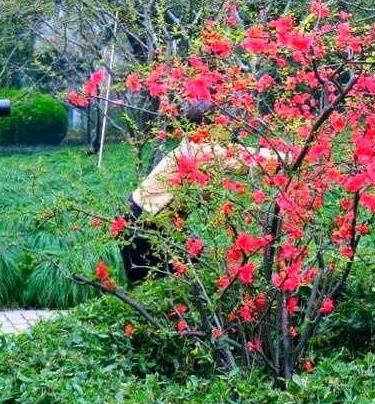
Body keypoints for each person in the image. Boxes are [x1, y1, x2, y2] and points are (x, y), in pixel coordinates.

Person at [120, 102, 282, 285]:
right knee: (154, 281)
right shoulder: (200, 151)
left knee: (186, 263)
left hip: (147, 217)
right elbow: (244, 159)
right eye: (223, 123)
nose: (227, 128)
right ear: (209, 127)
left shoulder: (194, 146)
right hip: (143, 220)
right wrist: (288, 158)